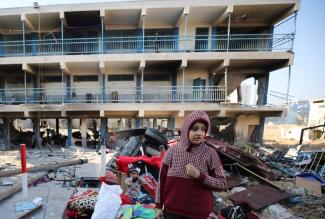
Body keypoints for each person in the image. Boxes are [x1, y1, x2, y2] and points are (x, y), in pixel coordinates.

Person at [155, 110, 226, 219]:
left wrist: (199, 176)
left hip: (198, 215)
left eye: (203, 129)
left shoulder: (210, 153)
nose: (199, 133)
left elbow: (222, 184)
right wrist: (158, 206)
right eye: (195, 128)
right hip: (172, 213)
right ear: (186, 129)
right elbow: (161, 181)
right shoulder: (172, 151)